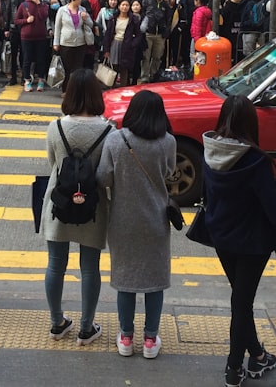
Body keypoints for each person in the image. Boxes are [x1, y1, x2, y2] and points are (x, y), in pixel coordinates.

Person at [203, 96, 276, 387]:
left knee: (241, 300)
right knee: (242, 302)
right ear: (251, 123)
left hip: (221, 237)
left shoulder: (210, 152)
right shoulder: (255, 161)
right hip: (252, 243)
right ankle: (234, 368)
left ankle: (258, 355)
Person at [97, 90, 177, 359]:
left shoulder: (115, 140)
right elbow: (169, 173)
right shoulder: (168, 142)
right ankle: (151, 340)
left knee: (126, 280)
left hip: (122, 221)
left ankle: (126, 336)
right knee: (155, 281)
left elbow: (104, 178)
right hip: (155, 220)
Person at [41, 69, 113, 346]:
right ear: (97, 94)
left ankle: (57, 322)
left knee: (56, 264)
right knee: (90, 268)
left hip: (59, 201)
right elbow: (106, 173)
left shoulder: (55, 127)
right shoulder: (108, 130)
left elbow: (52, 164)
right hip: (92, 206)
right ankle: (86, 327)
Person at [53, 0, 95, 96]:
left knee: (78, 69)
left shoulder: (82, 10)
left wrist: (86, 18)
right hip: (66, 42)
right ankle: (66, 90)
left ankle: (76, 91)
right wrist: (56, 42)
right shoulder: (62, 10)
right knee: (66, 68)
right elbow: (57, 27)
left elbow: (91, 24)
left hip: (80, 43)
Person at [102, 0, 143, 87]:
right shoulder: (113, 18)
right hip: (114, 44)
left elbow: (138, 35)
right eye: (123, 5)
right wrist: (106, 49)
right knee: (113, 67)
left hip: (127, 46)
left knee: (124, 68)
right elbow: (107, 35)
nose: (124, 7)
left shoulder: (133, 19)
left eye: (127, 5)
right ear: (119, 6)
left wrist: (132, 44)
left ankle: (124, 88)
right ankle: (112, 88)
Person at [16, 0, 49, 92]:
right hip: (26, 37)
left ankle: (40, 80)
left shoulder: (43, 5)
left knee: (40, 59)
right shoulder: (23, 5)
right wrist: (26, 21)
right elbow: (16, 20)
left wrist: (39, 4)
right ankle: (27, 80)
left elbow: (43, 16)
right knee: (27, 59)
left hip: (41, 36)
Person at [139, 0, 170, 82]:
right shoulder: (147, 1)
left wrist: (166, 31)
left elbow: (168, 18)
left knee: (157, 56)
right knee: (145, 57)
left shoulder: (165, 5)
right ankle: (145, 77)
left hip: (160, 34)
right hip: (148, 32)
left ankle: (153, 75)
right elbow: (142, 14)